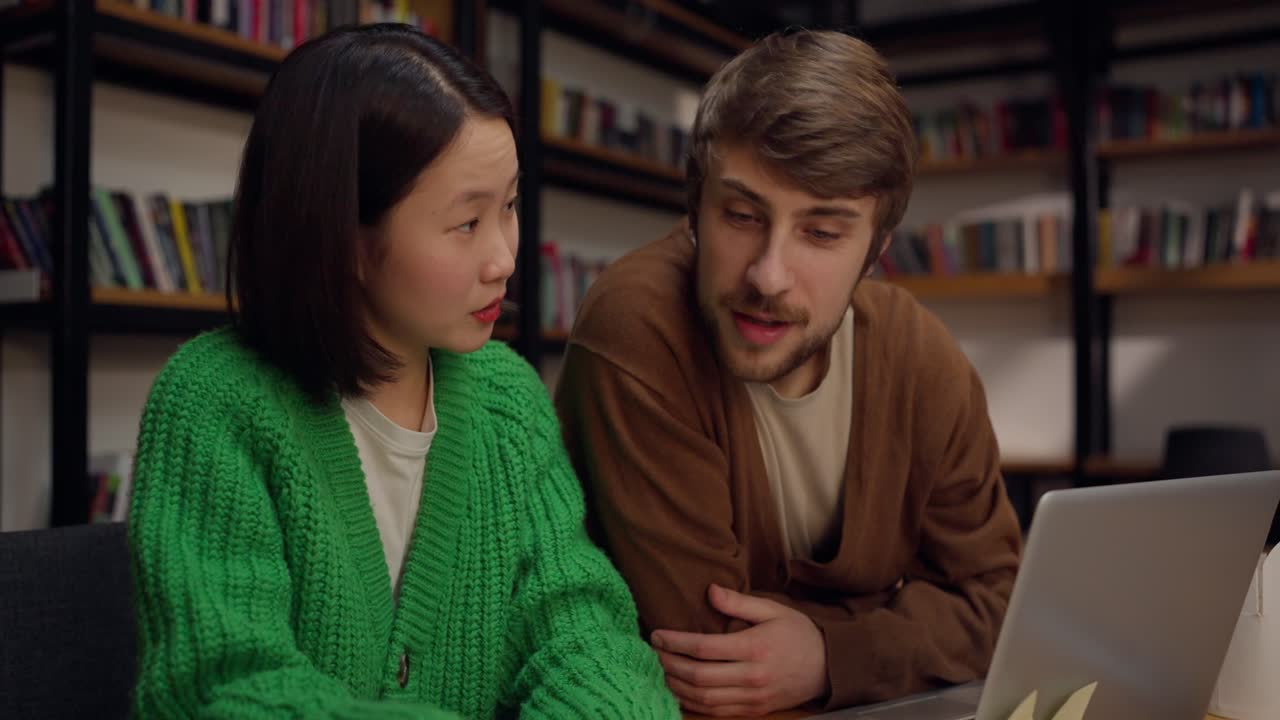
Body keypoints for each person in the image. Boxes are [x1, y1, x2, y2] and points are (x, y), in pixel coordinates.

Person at [127, 25, 676, 719]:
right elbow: (222, 687)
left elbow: (578, 627)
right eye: (466, 223)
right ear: (346, 240)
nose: (505, 256)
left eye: (508, 206)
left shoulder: (508, 398)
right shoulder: (215, 403)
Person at [555, 29, 1023, 717]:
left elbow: (1003, 605)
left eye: (823, 233)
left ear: (875, 251)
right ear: (695, 208)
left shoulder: (922, 358)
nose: (768, 275)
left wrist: (827, 654)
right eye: (742, 215)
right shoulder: (637, 327)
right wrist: (892, 623)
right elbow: (713, 661)